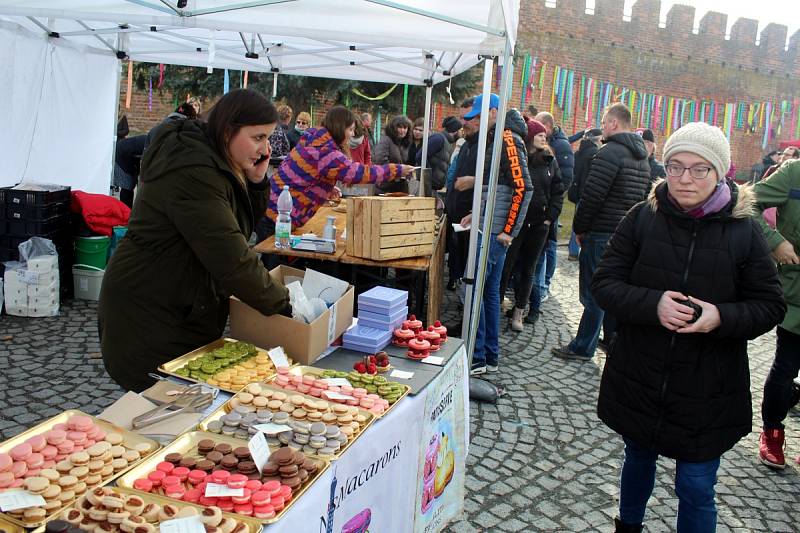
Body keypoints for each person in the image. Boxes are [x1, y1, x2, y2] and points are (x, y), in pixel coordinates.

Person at [592, 122, 785, 532]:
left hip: (707, 387)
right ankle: (628, 525)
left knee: (696, 484)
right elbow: (604, 283)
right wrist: (652, 304)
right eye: (676, 166)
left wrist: (720, 317)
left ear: (720, 173)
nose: (685, 178)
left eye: (700, 169)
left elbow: (769, 307)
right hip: (641, 375)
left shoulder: (745, 232)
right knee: (637, 459)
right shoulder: (643, 217)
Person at [98, 89, 291, 392]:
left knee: (180, 405)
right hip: (151, 310)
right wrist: (287, 306)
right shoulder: (194, 171)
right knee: (160, 406)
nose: (266, 149)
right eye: (257, 138)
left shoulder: (218, 160)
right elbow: (231, 257)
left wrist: (256, 182)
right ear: (228, 131)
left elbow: (239, 228)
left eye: (268, 138)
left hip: (183, 302)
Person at [552, 103, 650, 361]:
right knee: (613, 288)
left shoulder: (609, 153)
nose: (603, 127)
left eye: (605, 122)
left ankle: (583, 346)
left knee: (595, 292)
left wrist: (580, 229)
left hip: (602, 231)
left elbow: (592, 196)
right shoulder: (642, 159)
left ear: (614, 124)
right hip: (625, 234)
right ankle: (610, 339)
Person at [459, 94, 533, 375]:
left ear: (493, 112)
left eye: (479, 116)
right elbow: (497, 187)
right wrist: (477, 213)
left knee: (476, 290)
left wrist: (507, 231)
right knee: (489, 292)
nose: (475, 121)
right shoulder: (498, 137)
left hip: (496, 233)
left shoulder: (508, 139)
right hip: (490, 226)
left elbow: (523, 188)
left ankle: (477, 356)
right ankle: (488, 355)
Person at [264, 106, 414, 233]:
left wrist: (325, 188)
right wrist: (397, 170)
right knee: (272, 262)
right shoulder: (326, 152)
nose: (353, 134)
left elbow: (305, 175)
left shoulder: (314, 140)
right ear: (340, 128)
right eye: (351, 129)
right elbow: (359, 173)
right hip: (279, 216)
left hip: (274, 209)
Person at [753, 158, 800, 470]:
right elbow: (748, 203)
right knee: (785, 368)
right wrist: (775, 242)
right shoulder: (794, 173)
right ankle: (772, 432)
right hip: (796, 295)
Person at [499, 118, 563, 331]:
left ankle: (519, 312)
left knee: (528, 269)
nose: (544, 138)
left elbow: (558, 191)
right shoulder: (521, 158)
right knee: (507, 266)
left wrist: (550, 217)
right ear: (529, 137)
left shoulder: (550, 160)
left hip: (539, 225)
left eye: (545, 135)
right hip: (518, 223)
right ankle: (497, 304)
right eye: (539, 135)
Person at [532, 111, 575, 309]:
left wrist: (551, 213)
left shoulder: (560, 147)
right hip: (539, 211)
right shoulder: (544, 148)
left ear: (547, 127)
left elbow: (563, 182)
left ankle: (544, 286)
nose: (541, 135)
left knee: (548, 249)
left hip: (548, 210)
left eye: (541, 130)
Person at [566, 128, 603, 261]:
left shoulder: (578, 153)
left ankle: (573, 251)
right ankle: (577, 251)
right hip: (587, 192)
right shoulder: (595, 154)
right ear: (598, 140)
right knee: (584, 223)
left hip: (577, 191)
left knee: (577, 222)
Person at [415, 116, 462, 192]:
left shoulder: (447, 141)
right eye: (460, 130)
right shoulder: (438, 139)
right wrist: (429, 176)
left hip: (431, 187)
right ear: (455, 131)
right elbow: (420, 156)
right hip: (425, 186)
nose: (461, 133)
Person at [374, 115, 412, 193]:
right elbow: (380, 160)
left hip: (401, 186)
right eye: (400, 127)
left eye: (405, 128)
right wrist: (397, 171)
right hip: (385, 186)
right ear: (393, 128)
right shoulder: (386, 140)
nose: (402, 130)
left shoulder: (405, 143)